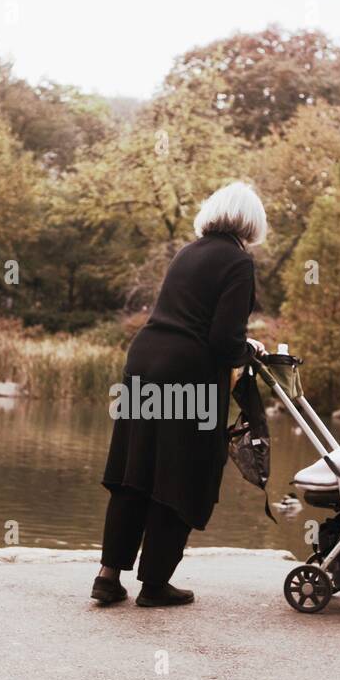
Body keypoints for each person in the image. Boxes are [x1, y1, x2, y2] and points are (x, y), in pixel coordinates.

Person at [94, 182, 267, 607]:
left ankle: (107, 576)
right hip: (187, 376)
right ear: (252, 221)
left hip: (144, 362)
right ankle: (154, 584)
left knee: (135, 470)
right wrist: (251, 350)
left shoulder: (188, 252)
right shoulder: (238, 262)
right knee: (183, 471)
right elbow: (225, 341)